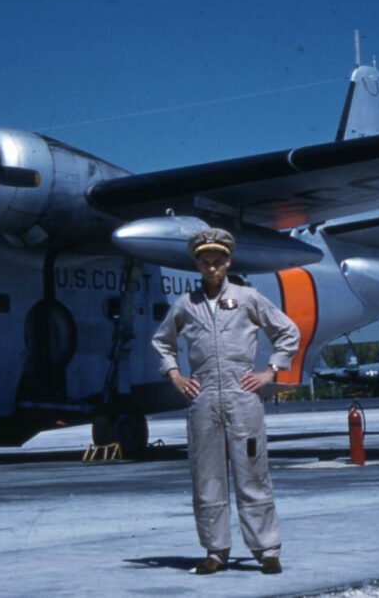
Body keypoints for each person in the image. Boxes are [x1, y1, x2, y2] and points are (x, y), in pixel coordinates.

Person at [152, 228, 299, 575]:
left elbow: (287, 332)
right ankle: (215, 551)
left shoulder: (249, 298)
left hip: (242, 396)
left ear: (228, 261)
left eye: (218, 261)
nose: (212, 268)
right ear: (198, 265)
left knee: (252, 475)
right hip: (203, 398)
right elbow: (162, 342)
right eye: (206, 262)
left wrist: (270, 372)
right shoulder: (186, 305)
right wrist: (175, 376)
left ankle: (266, 550)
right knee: (207, 478)